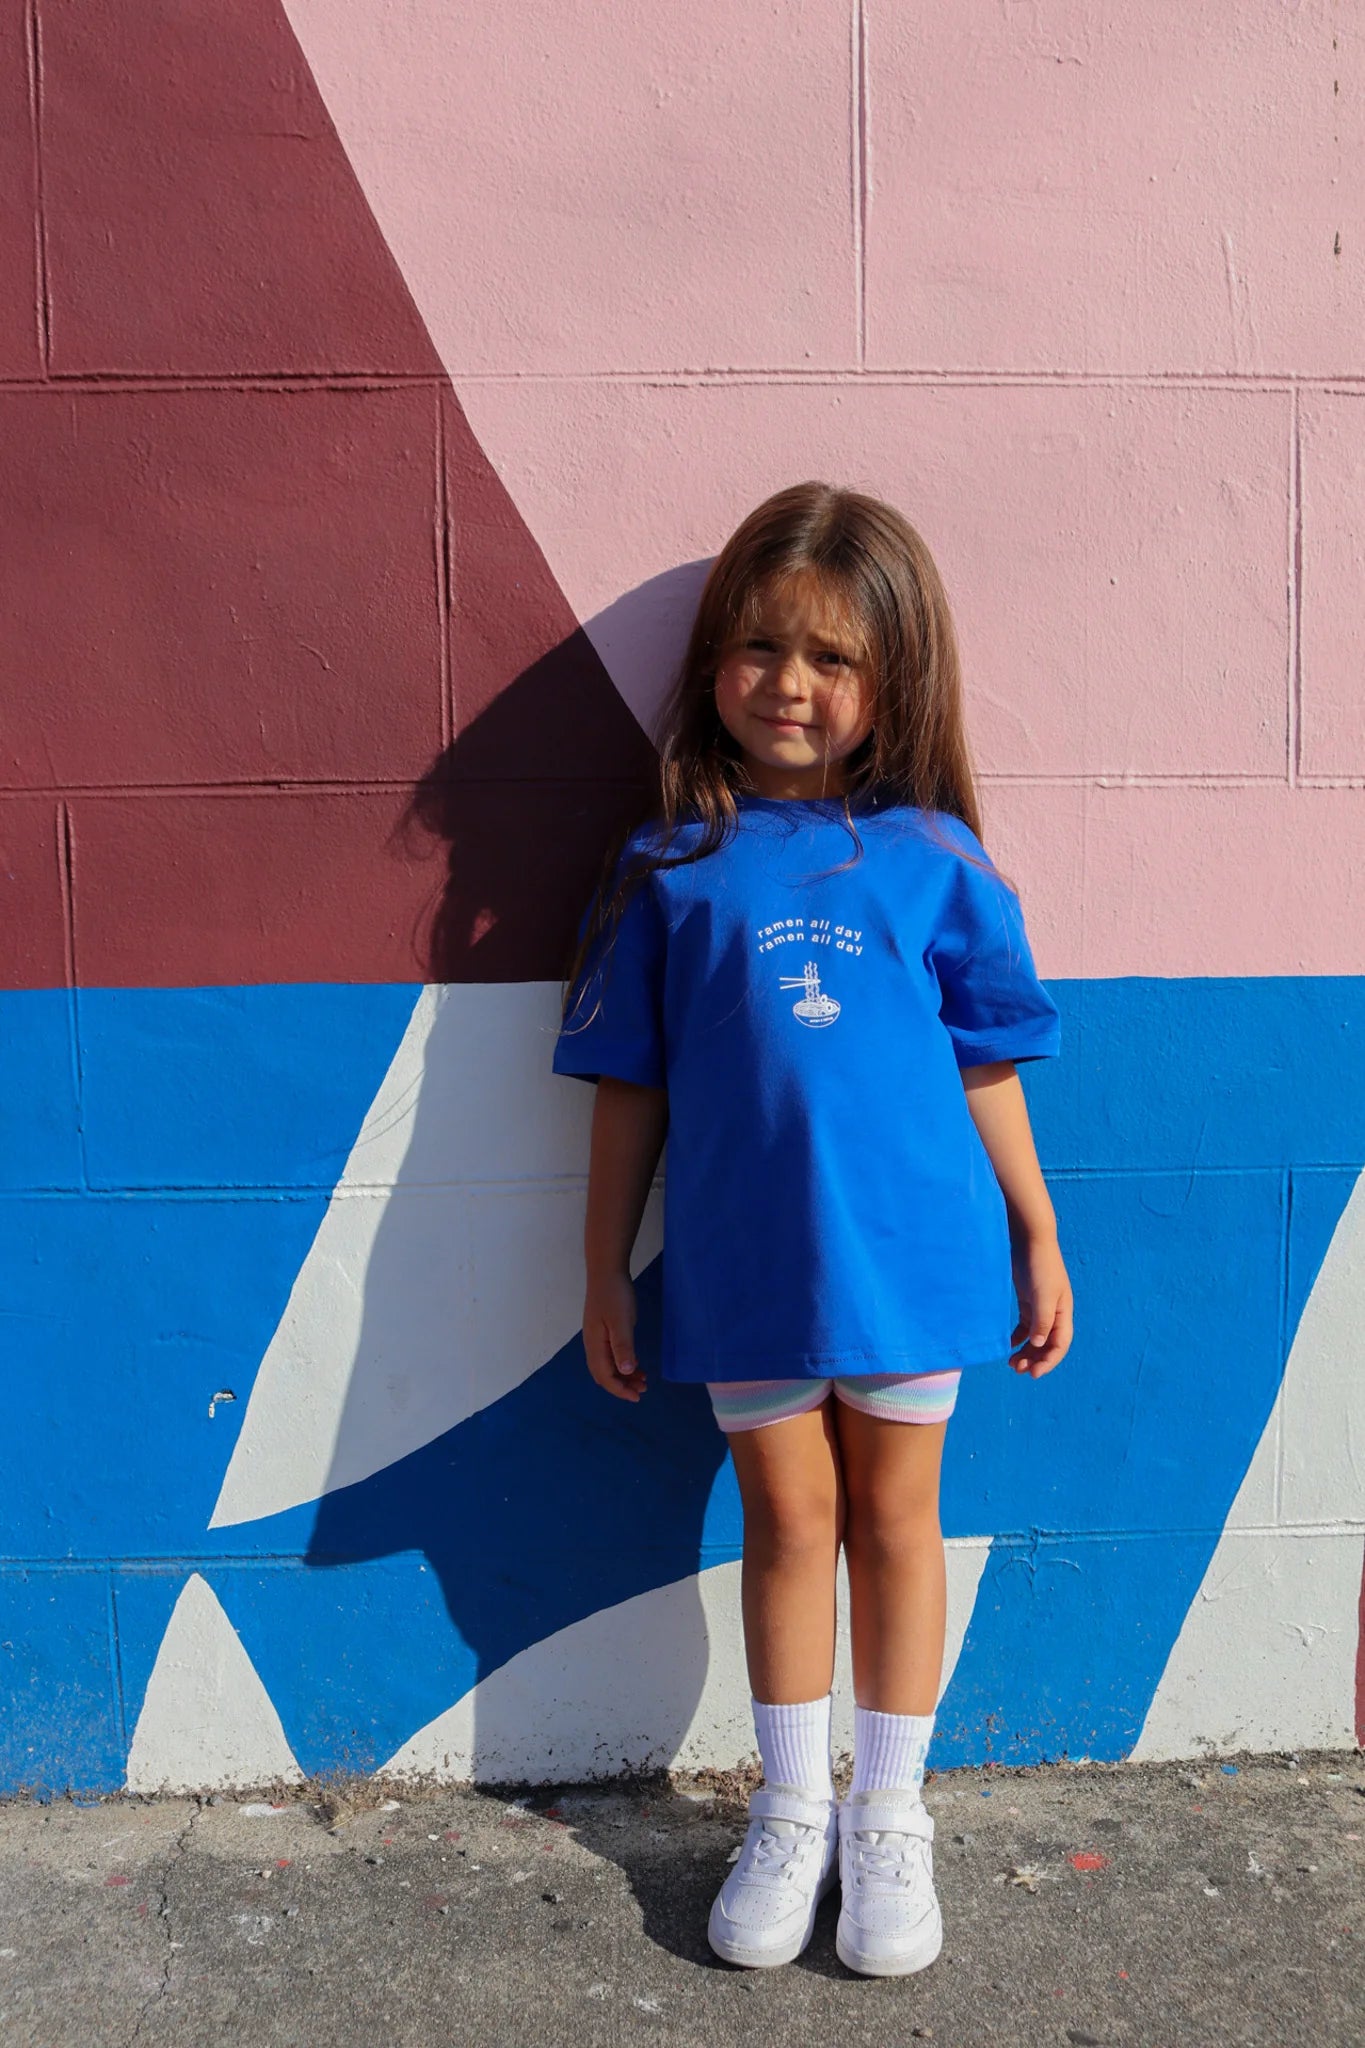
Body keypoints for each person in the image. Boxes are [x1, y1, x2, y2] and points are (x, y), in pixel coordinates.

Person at [551, 481, 1072, 1977]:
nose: (789, 685)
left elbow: (986, 1059)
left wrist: (1036, 1231)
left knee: (896, 1527)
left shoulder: (934, 859)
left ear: (888, 684)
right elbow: (626, 1088)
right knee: (786, 1526)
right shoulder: (668, 869)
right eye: (762, 649)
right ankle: (788, 1810)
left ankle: (887, 1819)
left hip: (914, 1266)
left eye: (831, 660)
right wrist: (602, 1266)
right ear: (717, 657)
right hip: (745, 1270)